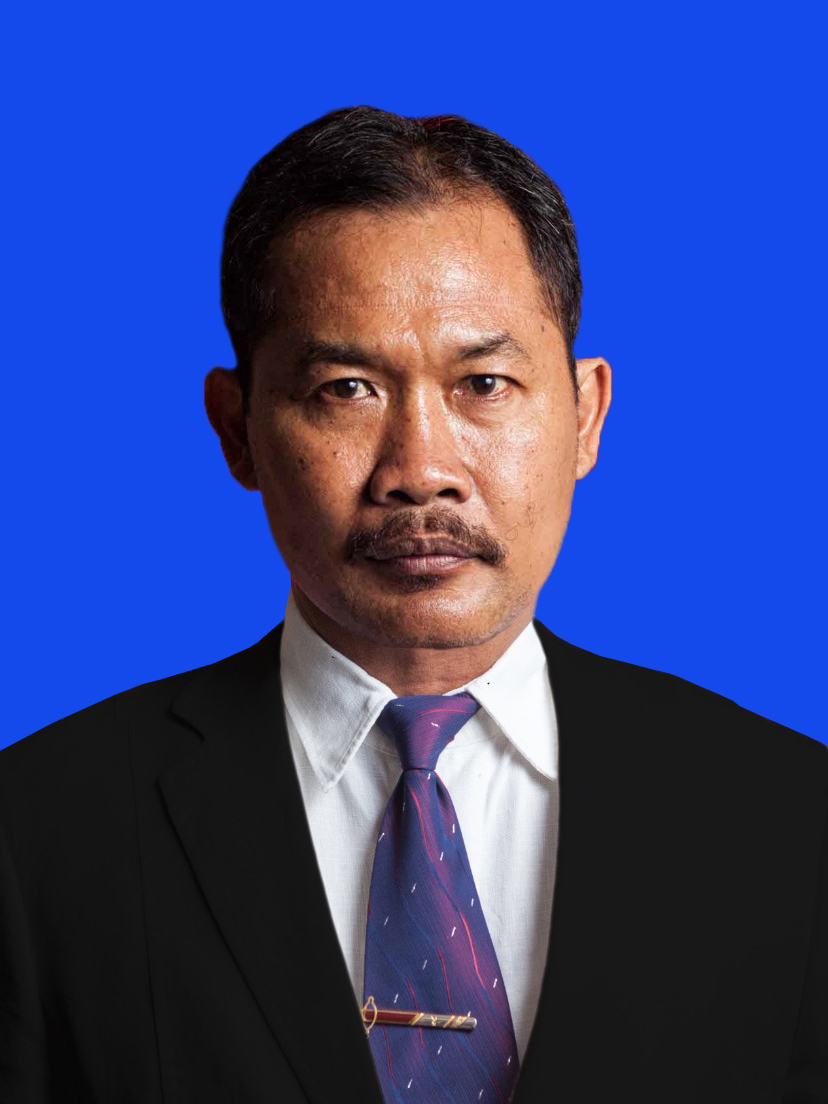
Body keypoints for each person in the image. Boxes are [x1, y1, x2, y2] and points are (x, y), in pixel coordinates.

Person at [1, 106, 825, 1104]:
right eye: (347, 389)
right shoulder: (40, 833)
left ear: (586, 415)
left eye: (485, 382)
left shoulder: (791, 817)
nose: (422, 469)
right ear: (237, 429)